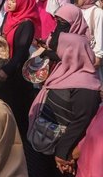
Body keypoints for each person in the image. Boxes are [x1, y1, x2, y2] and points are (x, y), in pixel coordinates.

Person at [28, 33, 100, 176]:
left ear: (71, 52)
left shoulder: (85, 85)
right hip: (45, 140)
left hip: (62, 150)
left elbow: (82, 121)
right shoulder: (64, 70)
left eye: (62, 48)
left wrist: (62, 151)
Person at [0, 0, 40, 136]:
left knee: (15, 104)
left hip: (16, 71)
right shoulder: (8, 15)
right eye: (10, 0)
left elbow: (21, 51)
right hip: (2, 62)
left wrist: (7, 70)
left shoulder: (27, 24)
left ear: (23, 3)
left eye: (13, 1)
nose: (10, 3)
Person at [74, 0, 103, 76]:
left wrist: (98, 56)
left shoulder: (97, 12)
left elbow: (100, 34)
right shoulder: (78, 10)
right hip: (78, 53)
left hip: (91, 53)